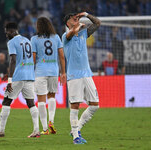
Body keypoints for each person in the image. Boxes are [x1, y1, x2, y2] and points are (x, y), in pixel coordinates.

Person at [0, 22, 40, 138]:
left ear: (12, 31)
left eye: (7, 32)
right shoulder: (27, 40)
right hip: (29, 76)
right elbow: (24, 60)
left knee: (6, 101)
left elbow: (13, 60)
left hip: (18, 77)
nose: (6, 34)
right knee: (31, 103)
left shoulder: (11, 42)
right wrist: (8, 73)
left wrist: (10, 80)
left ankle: (1, 130)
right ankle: (36, 130)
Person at [62, 12, 100, 144]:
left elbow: (97, 23)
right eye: (74, 19)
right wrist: (78, 26)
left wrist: (86, 14)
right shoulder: (65, 37)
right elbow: (71, 33)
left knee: (95, 105)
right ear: (68, 23)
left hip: (87, 74)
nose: (77, 19)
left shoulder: (84, 33)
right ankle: (76, 137)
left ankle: (76, 128)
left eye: (78, 18)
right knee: (75, 105)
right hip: (74, 76)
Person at [31, 17, 66, 135]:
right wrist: (63, 72)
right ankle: (51, 120)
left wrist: (31, 71)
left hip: (40, 71)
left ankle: (45, 128)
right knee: (52, 96)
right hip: (54, 71)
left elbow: (34, 58)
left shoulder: (34, 39)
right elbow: (61, 56)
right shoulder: (56, 38)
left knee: (41, 100)